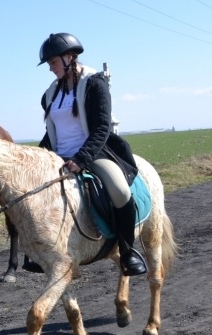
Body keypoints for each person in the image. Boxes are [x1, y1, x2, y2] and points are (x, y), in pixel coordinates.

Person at [37, 32, 147, 276]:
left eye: (52, 62)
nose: (50, 68)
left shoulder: (94, 83)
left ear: (69, 57)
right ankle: (37, 252)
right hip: (59, 156)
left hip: (93, 153)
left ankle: (127, 251)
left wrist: (81, 159)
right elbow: (51, 133)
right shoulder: (50, 93)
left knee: (120, 191)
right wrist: (35, 157)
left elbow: (101, 128)